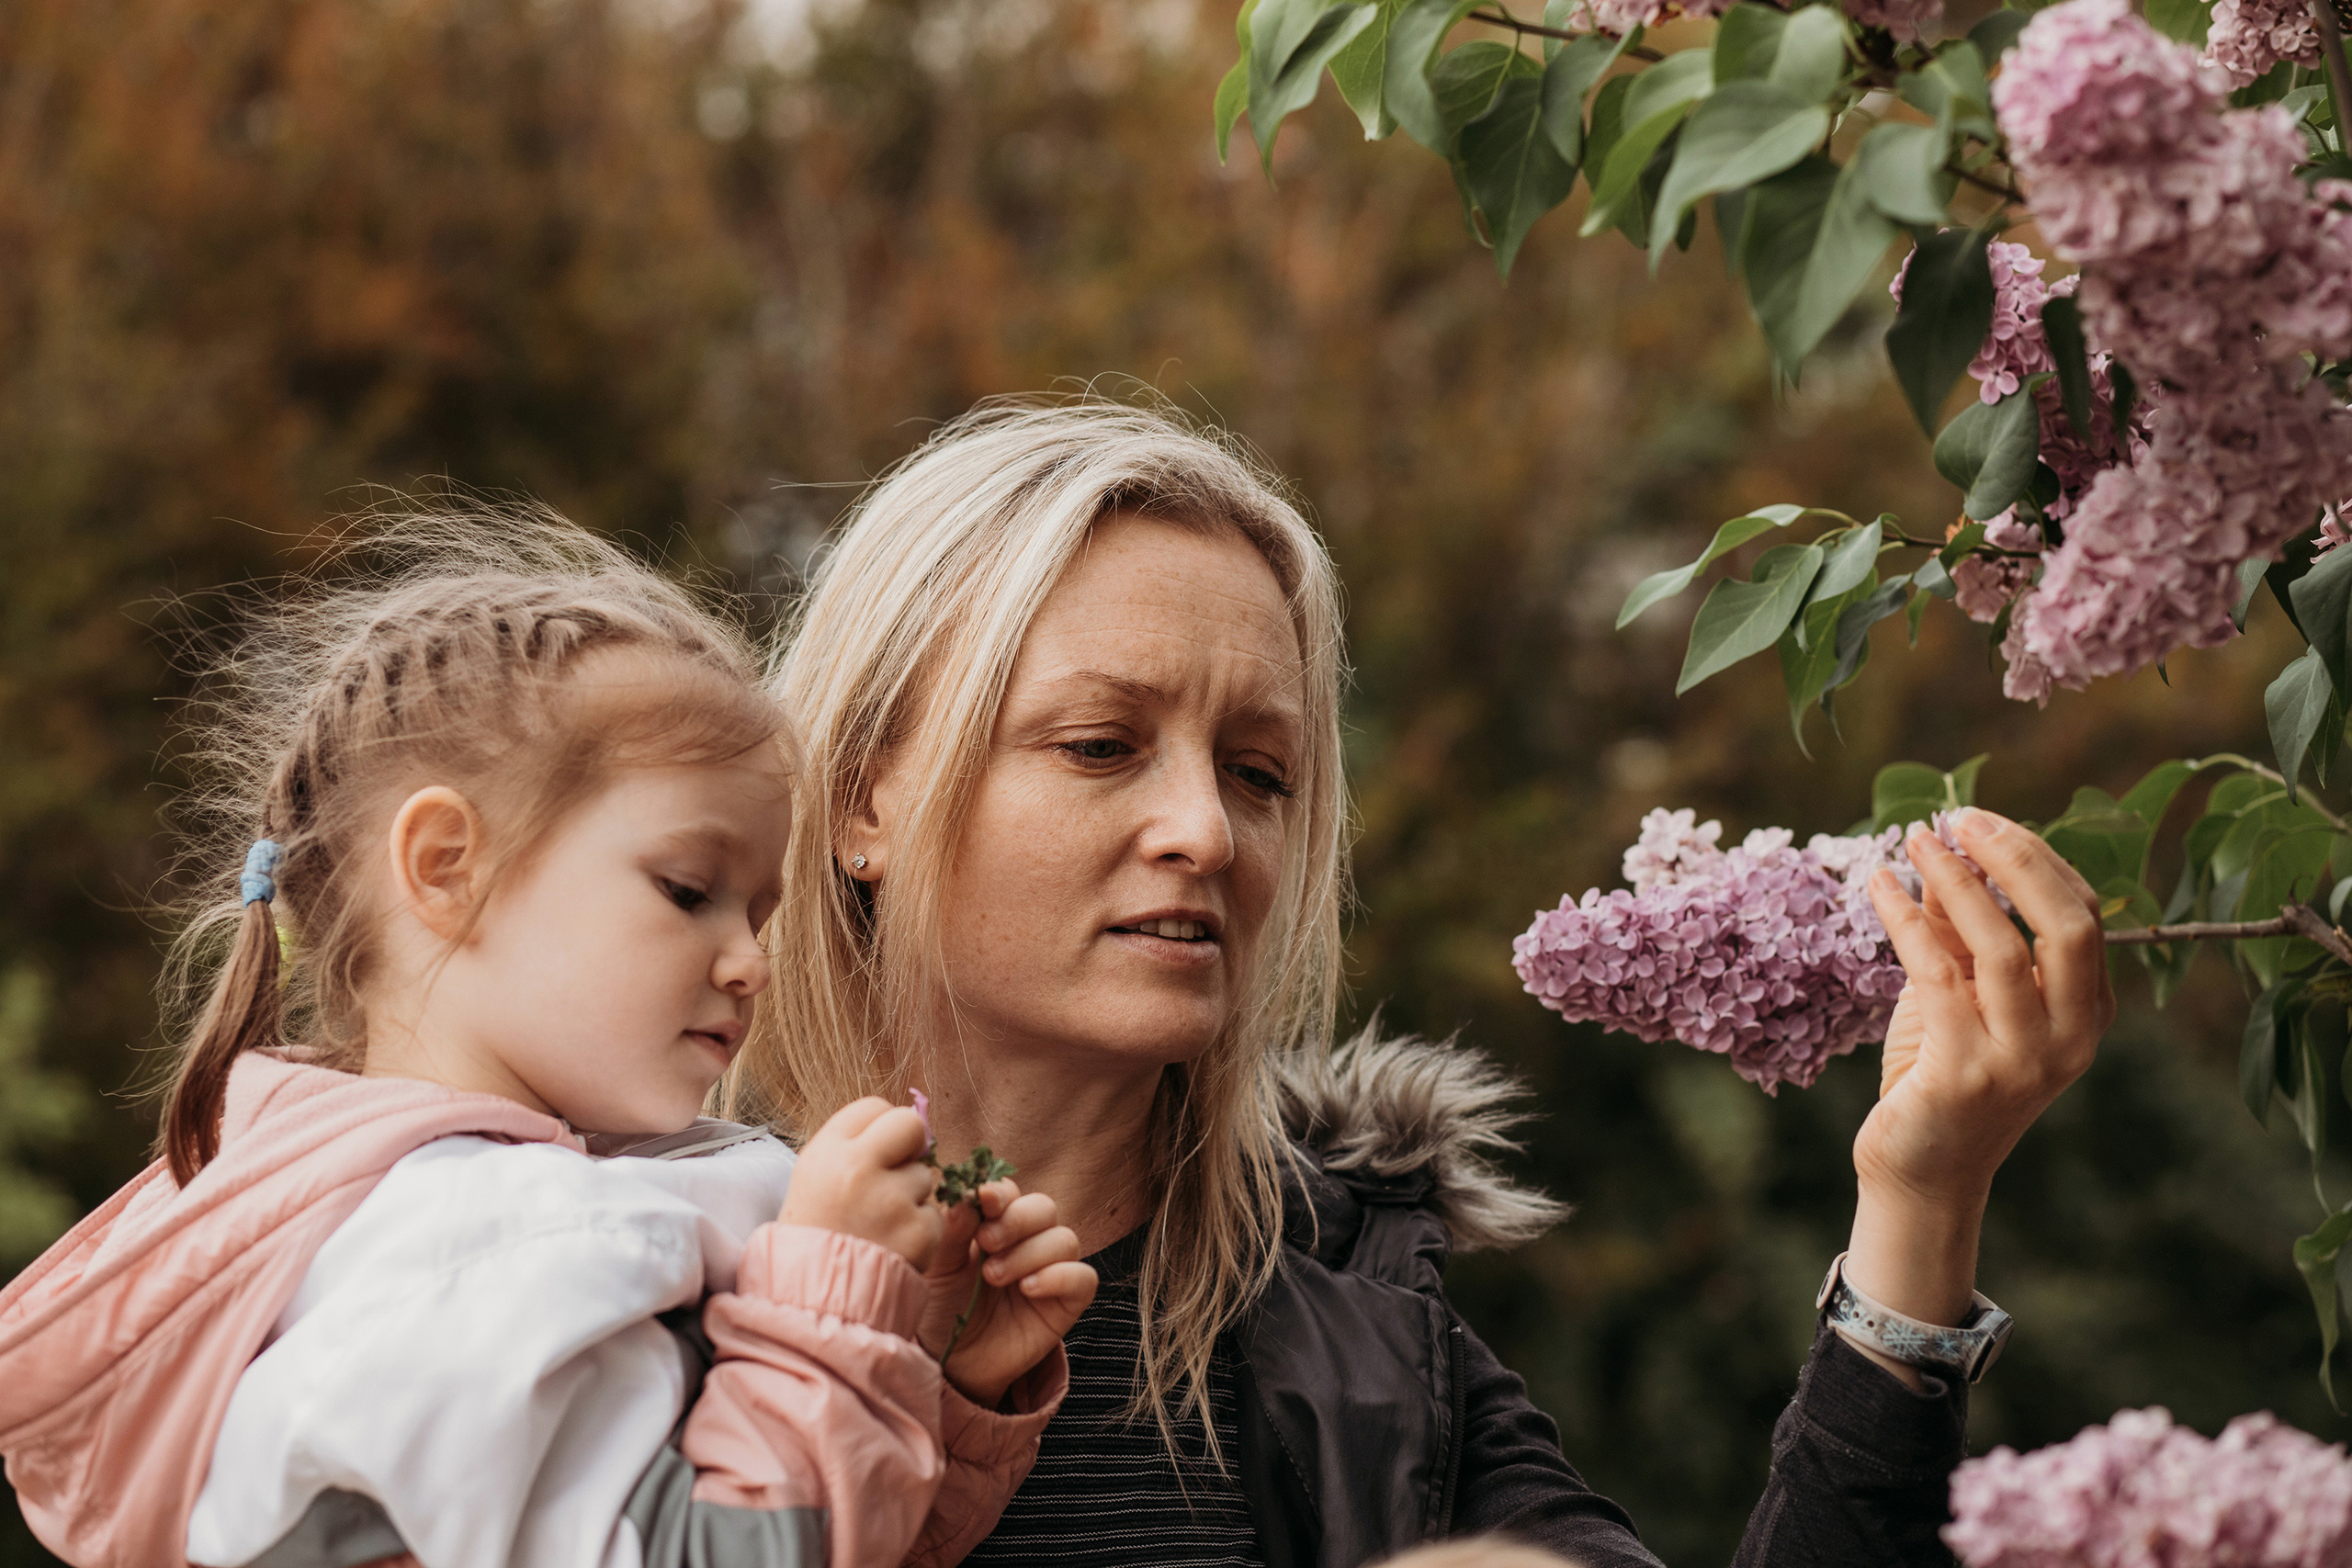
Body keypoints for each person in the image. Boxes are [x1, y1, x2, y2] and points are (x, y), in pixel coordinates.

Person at [738, 399, 2116, 1568]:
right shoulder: (637, 1231)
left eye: (1260, 771)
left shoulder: (1358, 1305)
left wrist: (1920, 1200)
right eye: (1101, 743)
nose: (1208, 831)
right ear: (864, 794)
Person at [0, 516, 1096, 1568]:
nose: (749, 961)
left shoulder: (450, 1221)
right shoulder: (473, 1254)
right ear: (444, 865)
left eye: (757, 913)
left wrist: (918, 1358)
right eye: (687, 890)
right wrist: (833, 1295)